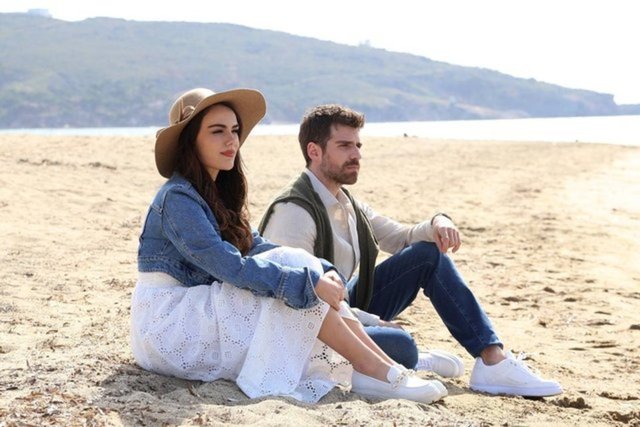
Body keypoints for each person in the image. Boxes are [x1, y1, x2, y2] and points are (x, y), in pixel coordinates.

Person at [130, 88, 449, 405]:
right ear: (191, 141)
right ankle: (376, 369)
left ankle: (382, 368)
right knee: (298, 281)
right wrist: (307, 283)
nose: (232, 141)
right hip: (171, 325)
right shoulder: (178, 198)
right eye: (217, 131)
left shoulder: (215, 194)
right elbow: (229, 266)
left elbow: (256, 247)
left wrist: (321, 271)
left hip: (204, 308)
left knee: (297, 265)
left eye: (235, 130)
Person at [259, 104, 563, 397]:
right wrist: (373, 321)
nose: (357, 155)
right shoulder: (294, 212)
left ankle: (492, 359)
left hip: (343, 305)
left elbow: (400, 238)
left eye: (358, 146)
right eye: (345, 146)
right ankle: (416, 359)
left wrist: (438, 222)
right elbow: (297, 299)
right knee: (401, 345)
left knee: (428, 254)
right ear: (314, 151)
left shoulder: (347, 203)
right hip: (310, 327)